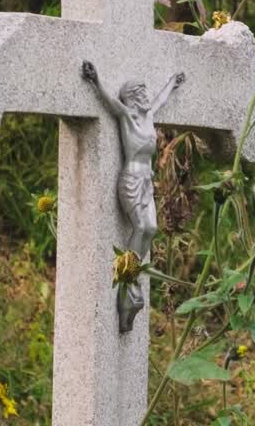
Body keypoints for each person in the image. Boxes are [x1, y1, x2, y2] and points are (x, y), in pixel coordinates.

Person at [81, 60, 184, 332]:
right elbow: (109, 103)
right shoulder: (128, 116)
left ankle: (132, 275)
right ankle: (126, 276)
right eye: (143, 94)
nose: (148, 97)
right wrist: (95, 79)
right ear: (134, 98)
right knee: (140, 226)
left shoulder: (149, 117)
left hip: (147, 180)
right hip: (130, 180)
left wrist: (172, 83)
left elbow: (161, 100)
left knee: (151, 229)